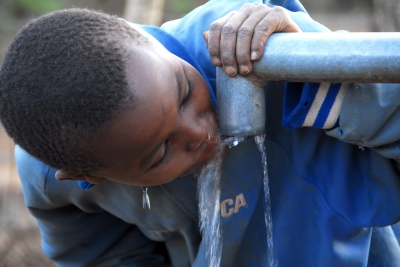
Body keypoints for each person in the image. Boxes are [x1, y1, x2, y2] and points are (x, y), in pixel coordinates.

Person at [1, 0, 400, 266]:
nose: (199, 131)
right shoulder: (52, 174)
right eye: (160, 153)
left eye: (183, 91)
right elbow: (102, 256)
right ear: (88, 176)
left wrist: (316, 68)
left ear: (144, 37)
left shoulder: (259, 50)